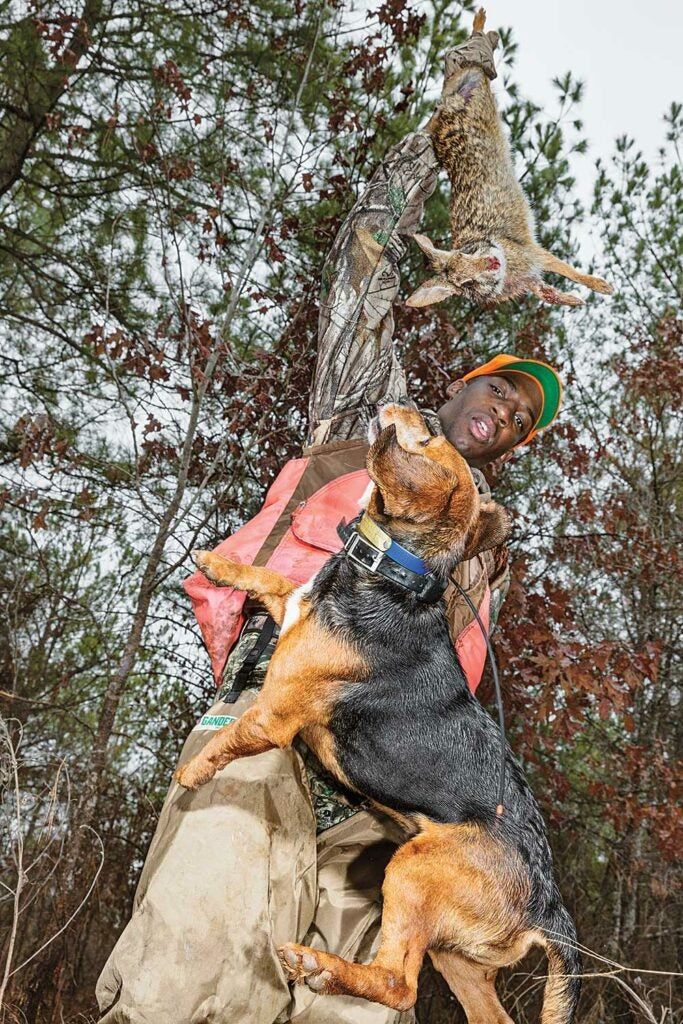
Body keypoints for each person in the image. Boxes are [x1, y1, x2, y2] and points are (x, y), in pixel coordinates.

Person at [96, 25, 562, 1024]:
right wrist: (449, 126)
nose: (506, 415)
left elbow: (454, 695)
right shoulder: (361, 413)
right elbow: (365, 252)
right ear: (458, 379)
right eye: (499, 391)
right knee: (201, 936)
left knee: (349, 1006)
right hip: (269, 715)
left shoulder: (482, 553)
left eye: (521, 423)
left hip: (377, 793)